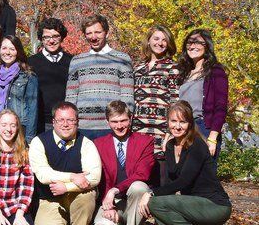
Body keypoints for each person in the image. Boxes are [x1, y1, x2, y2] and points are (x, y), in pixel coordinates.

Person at [138, 101, 232, 225]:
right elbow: (170, 182)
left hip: (215, 205)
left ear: (190, 123)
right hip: (193, 205)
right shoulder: (170, 146)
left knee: (154, 202)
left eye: (183, 121)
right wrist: (161, 217)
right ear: (168, 121)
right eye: (174, 121)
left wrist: (150, 193)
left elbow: (183, 181)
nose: (177, 126)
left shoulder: (197, 145)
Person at [29, 101, 100, 225]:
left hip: (77, 195)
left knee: (88, 195)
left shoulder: (86, 144)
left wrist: (67, 187)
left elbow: (94, 177)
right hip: (50, 198)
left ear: (77, 122)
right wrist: (72, 177)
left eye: (70, 120)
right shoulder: (39, 142)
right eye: (61, 120)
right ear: (53, 122)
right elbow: (43, 174)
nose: (65, 124)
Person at [92, 101, 154, 225]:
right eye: (114, 121)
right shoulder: (98, 144)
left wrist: (115, 189)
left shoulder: (145, 142)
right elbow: (101, 178)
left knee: (138, 186)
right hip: (112, 202)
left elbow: (141, 174)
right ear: (107, 122)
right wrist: (109, 205)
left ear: (130, 119)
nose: (119, 126)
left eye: (123, 120)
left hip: (136, 203)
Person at [65, 15, 135, 140]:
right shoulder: (76, 61)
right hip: (83, 127)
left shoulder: (122, 59)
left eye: (98, 32)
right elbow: (71, 97)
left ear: (106, 33)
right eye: (89, 33)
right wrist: (70, 123)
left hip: (112, 126)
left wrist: (123, 123)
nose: (93, 37)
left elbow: (127, 96)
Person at [0, 109, 38, 225]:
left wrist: (20, 214)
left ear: (17, 128)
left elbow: (26, 186)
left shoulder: (24, 153)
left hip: (16, 205)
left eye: (13, 125)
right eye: (4, 125)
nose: (8, 129)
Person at [176, 29, 228, 156]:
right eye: (189, 42)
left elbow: (221, 106)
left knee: (204, 175)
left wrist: (212, 137)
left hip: (203, 128)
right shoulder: (184, 73)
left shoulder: (215, 71)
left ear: (207, 46)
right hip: (182, 128)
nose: (193, 46)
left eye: (198, 42)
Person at [133, 25, 182, 157]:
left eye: (164, 40)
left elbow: (175, 103)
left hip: (161, 132)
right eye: (156, 39)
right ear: (148, 41)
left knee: (160, 174)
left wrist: (170, 134)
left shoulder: (173, 67)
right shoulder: (137, 68)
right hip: (137, 131)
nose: (159, 43)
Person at [27, 18, 73, 134]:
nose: (51, 41)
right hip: (40, 123)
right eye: (46, 37)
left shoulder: (72, 62)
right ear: (41, 39)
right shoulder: (30, 63)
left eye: (55, 36)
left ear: (61, 37)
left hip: (66, 122)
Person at [0, 35, 39, 142]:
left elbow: (33, 110)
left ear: (18, 52)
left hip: (19, 130)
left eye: (12, 49)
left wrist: (29, 138)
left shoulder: (28, 76)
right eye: (4, 48)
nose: (7, 52)